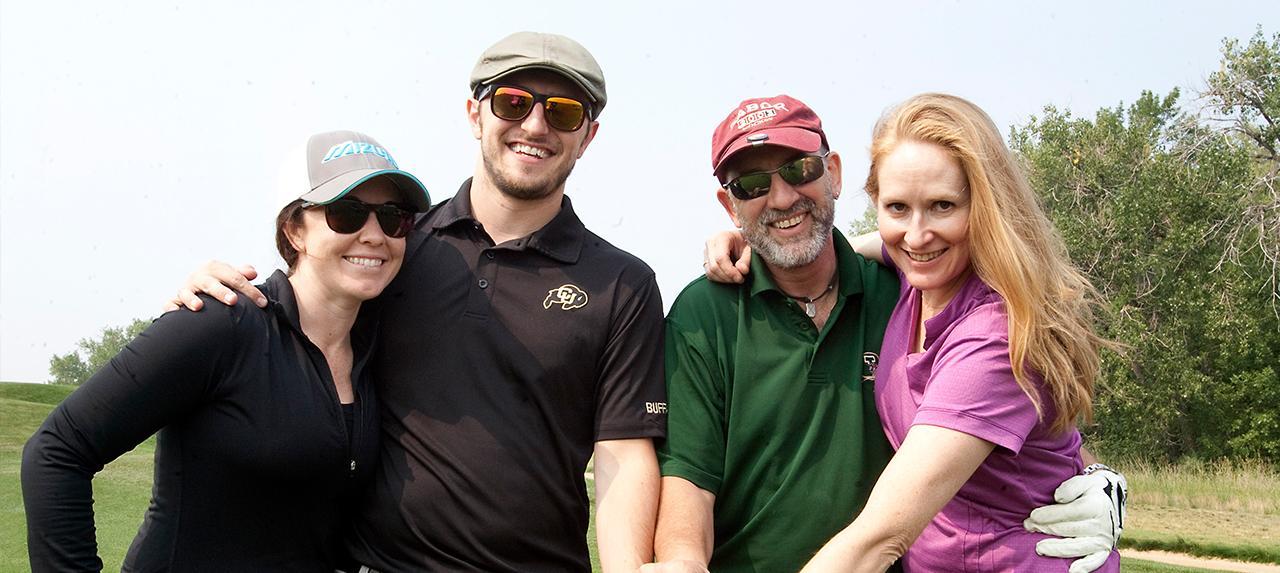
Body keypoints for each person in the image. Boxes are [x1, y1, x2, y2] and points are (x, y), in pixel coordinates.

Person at [164, 32, 666, 572]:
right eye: (513, 103)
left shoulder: (623, 284)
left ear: (588, 136)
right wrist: (220, 298)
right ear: (476, 115)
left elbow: (623, 456)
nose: (536, 126)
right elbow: (297, 310)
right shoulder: (394, 247)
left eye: (564, 112)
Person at [652, 95, 1125, 573]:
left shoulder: (964, 317)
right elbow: (688, 474)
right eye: (752, 186)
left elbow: (882, 534)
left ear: (832, 174)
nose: (917, 235)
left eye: (798, 171)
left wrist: (1095, 473)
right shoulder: (909, 280)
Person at [22, 129, 431, 572]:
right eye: (347, 213)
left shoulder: (377, 349)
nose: (374, 235)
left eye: (394, 217)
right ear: (295, 230)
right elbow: (56, 451)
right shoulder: (221, 324)